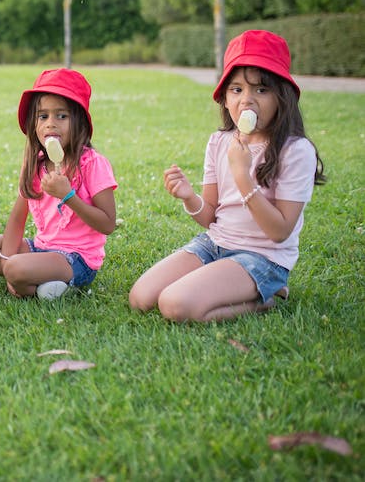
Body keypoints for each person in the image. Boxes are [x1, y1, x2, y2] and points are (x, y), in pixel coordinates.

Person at [129, 30, 325, 322]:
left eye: (261, 89)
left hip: (262, 258)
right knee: (141, 298)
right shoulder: (220, 142)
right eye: (236, 90)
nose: (247, 100)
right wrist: (188, 196)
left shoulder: (296, 150)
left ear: (282, 96)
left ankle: (269, 297)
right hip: (216, 244)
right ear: (225, 98)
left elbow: (280, 231)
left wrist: (242, 175)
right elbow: (211, 217)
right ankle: (221, 284)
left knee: (174, 305)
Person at [0, 69, 117, 300]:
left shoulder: (92, 164)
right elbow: (17, 220)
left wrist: (68, 196)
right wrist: (7, 261)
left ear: (79, 121)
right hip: (41, 248)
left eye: (61, 116)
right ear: (34, 124)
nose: (51, 124)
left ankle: (34, 281)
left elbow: (107, 224)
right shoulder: (36, 166)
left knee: (17, 267)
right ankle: (40, 285)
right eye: (43, 116)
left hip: (77, 259)